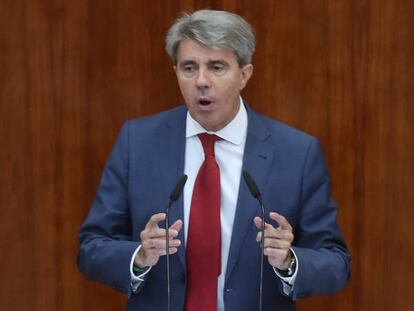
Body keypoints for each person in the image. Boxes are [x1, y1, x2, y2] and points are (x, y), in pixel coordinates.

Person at [77, 9, 350, 311]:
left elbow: (336, 262)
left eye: (217, 67)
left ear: (244, 74)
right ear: (176, 72)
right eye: (189, 68)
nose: (201, 81)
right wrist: (139, 256)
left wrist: (289, 260)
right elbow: (91, 248)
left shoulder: (296, 152)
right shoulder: (138, 141)